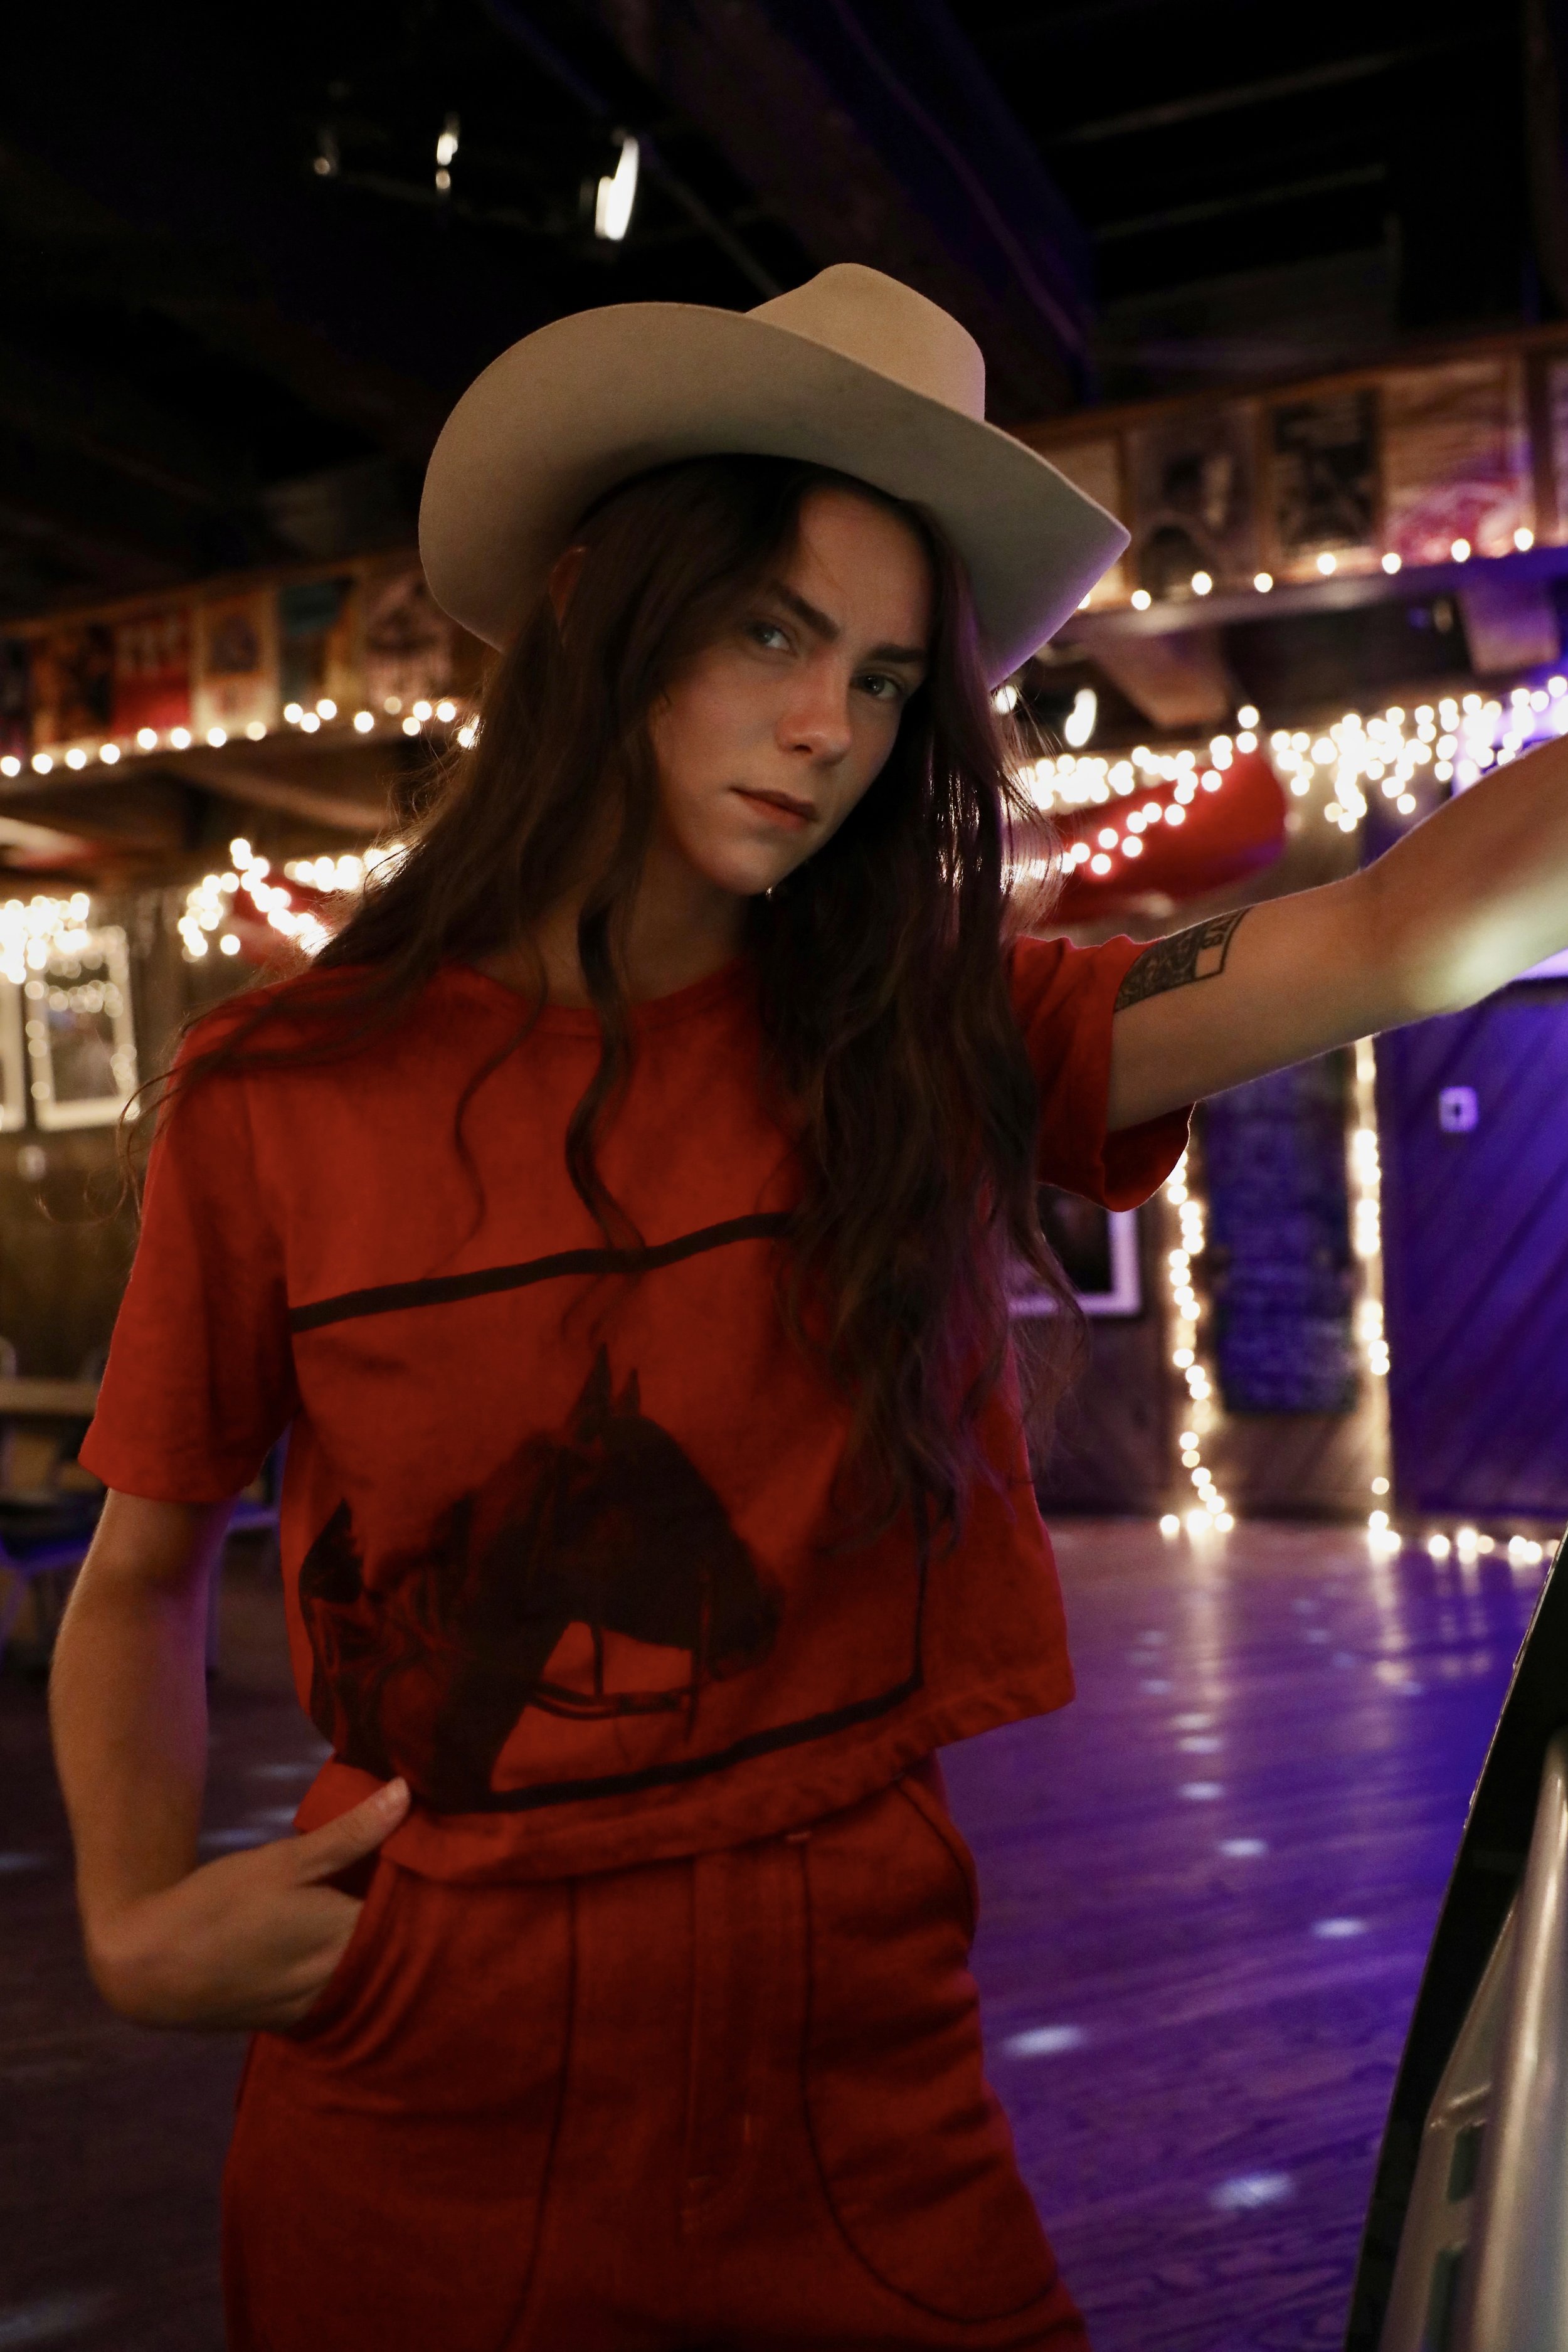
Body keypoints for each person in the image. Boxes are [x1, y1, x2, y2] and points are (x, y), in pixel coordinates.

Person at [48, 264, 1568, 2351]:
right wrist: (130, 1922)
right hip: (428, 2050)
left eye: (875, 683)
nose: (823, 735)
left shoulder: (922, 1033)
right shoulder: (278, 1094)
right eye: (772, 632)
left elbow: (1399, 929)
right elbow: (139, 1569)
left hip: (857, 2044)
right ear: (601, 607)